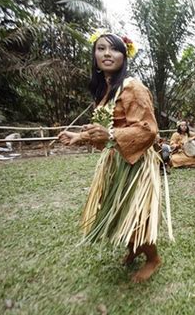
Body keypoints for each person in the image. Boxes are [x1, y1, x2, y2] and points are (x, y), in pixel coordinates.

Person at [58, 29, 172, 283]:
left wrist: (110, 136)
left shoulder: (133, 87)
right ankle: (133, 248)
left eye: (114, 49)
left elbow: (148, 130)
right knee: (118, 209)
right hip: (115, 161)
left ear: (124, 56)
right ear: (94, 55)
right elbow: (106, 127)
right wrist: (80, 137)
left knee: (135, 211)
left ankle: (153, 258)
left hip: (135, 163)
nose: (107, 54)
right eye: (101, 48)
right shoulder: (107, 89)